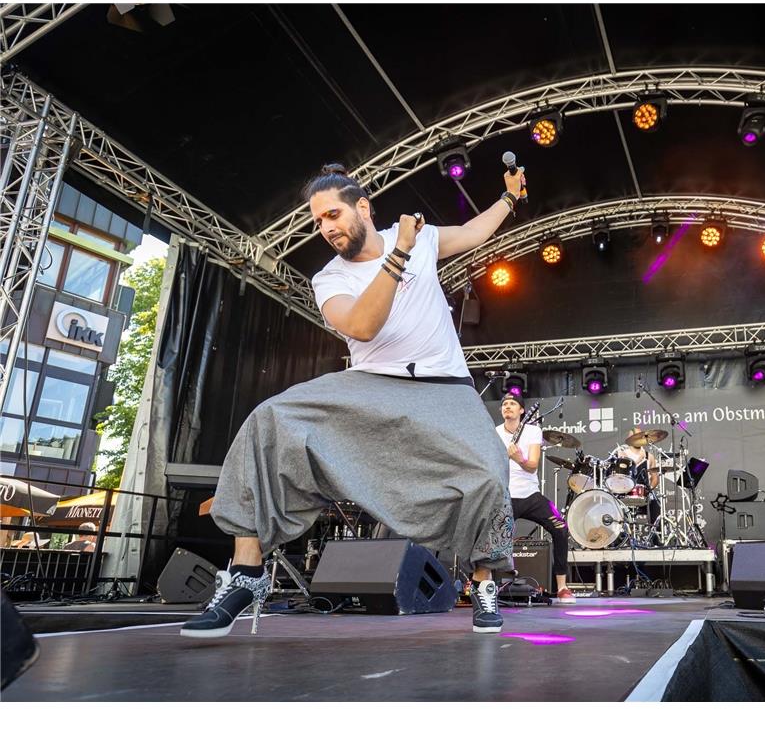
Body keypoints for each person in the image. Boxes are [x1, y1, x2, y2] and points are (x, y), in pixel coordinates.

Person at [181, 162, 527, 638]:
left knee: (489, 468)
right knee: (270, 419)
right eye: (318, 221)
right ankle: (246, 573)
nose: (326, 227)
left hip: (444, 384)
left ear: (362, 207)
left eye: (333, 214)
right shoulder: (330, 279)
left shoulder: (420, 239)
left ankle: (484, 582)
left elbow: (471, 231)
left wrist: (508, 199)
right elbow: (364, 326)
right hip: (372, 383)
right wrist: (399, 253)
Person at [495, 393, 576, 604]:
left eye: (512, 404)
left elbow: (531, 466)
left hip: (530, 495)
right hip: (505, 496)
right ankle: (491, 586)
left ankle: (562, 587)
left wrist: (518, 457)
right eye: (504, 404)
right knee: (494, 536)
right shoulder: (494, 433)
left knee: (560, 529)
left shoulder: (532, 431)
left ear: (522, 410)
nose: (508, 407)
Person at [618, 427, 661, 544]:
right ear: (629, 438)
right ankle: (619, 540)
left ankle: (656, 540)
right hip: (625, 494)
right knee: (615, 506)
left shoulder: (649, 456)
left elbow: (655, 477)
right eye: (635, 436)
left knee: (656, 505)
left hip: (643, 494)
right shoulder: (622, 454)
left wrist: (648, 490)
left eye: (640, 436)